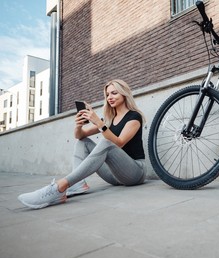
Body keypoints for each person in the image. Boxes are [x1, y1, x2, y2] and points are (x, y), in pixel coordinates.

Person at [18, 79, 146, 209]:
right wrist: (78, 125)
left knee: (106, 143)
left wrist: (99, 123)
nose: (109, 98)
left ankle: (60, 187)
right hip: (114, 176)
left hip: (135, 173)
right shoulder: (109, 119)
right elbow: (80, 136)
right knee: (82, 143)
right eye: (107, 95)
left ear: (124, 94)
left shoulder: (134, 117)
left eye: (114, 93)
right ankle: (77, 184)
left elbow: (119, 143)